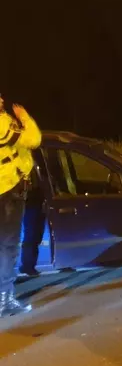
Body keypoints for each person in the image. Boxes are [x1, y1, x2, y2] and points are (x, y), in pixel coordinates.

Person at [0, 94, 42, 316]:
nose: (1, 100)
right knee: (8, 247)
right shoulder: (3, 123)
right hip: (7, 191)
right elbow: (34, 139)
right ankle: (4, 300)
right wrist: (25, 117)